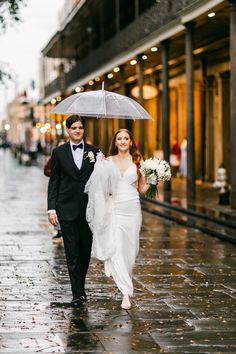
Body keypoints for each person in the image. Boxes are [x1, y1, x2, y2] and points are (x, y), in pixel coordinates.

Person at [85, 129, 148, 310]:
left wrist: (154, 180)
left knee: (130, 250)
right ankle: (125, 293)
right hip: (115, 209)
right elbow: (100, 188)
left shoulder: (138, 161)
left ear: (131, 141)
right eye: (119, 138)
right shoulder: (108, 161)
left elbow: (142, 188)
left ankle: (124, 279)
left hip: (132, 209)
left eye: (125, 138)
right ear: (115, 141)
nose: (122, 141)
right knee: (118, 248)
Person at [47, 115, 100, 307]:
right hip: (66, 208)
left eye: (80, 128)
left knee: (85, 251)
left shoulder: (95, 152)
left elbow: (102, 179)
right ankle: (77, 293)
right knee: (72, 252)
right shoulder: (58, 153)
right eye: (74, 128)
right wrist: (51, 209)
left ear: (83, 130)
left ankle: (81, 287)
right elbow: (54, 182)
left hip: (88, 211)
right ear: (68, 130)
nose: (77, 131)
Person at [44, 139, 65, 240]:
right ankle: (58, 230)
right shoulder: (55, 156)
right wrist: (55, 174)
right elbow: (46, 170)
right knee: (57, 209)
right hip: (58, 187)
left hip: (67, 188)